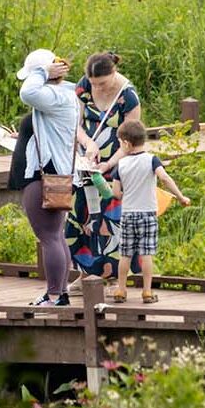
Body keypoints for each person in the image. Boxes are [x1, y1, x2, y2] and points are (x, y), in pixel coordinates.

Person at [65, 52, 142, 295]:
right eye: (94, 82)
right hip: (85, 161)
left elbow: (131, 139)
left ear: (114, 74)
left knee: (111, 221)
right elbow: (73, 123)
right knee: (81, 217)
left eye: (103, 83)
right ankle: (84, 274)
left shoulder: (127, 97)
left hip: (115, 165)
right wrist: (88, 142)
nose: (97, 87)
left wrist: (109, 164)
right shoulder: (83, 87)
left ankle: (113, 278)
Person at [13, 49, 78, 306]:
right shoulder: (65, 94)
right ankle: (59, 292)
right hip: (55, 172)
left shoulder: (54, 95)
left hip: (45, 174)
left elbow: (27, 92)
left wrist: (42, 72)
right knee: (56, 234)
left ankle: (54, 295)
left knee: (49, 236)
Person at [110, 120, 191, 303]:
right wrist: (180, 197)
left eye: (120, 142)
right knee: (146, 254)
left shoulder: (120, 165)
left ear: (127, 144)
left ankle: (121, 290)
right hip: (147, 213)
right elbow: (164, 178)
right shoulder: (151, 160)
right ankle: (147, 291)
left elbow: (116, 193)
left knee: (125, 254)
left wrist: (125, 194)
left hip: (128, 214)